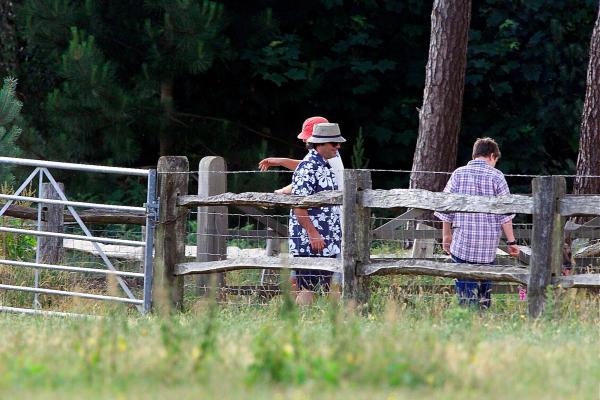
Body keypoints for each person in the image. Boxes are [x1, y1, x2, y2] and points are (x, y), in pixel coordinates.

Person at [434, 137, 519, 309]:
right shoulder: (497, 176)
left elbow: (445, 206)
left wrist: (446, 235)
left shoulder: (458, 173)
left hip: (463, 242)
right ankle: (482, 315)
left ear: (475, 155)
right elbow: (505, 213)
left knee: (465, 288)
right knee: (484, 286)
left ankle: (467, 316)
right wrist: (511, 242)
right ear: (492, 156)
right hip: (487, 247)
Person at [288, 122, 345, 305]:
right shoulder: (308, 167)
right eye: (334, 144)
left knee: (323, 286)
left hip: (324, 239)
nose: (338, 147)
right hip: (311, 241)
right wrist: (313, 234)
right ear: (320, 144)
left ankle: (313, 324)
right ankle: (298, 325)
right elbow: (299, 204)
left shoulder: (324, 165)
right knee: (308, 287)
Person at [258, 116, 344, 193]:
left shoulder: (329, 153)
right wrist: (282, 161)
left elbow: (306, 171)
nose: (303, 140)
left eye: (307, 136)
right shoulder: (329, 153)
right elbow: (307, 167)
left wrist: (282, 191)